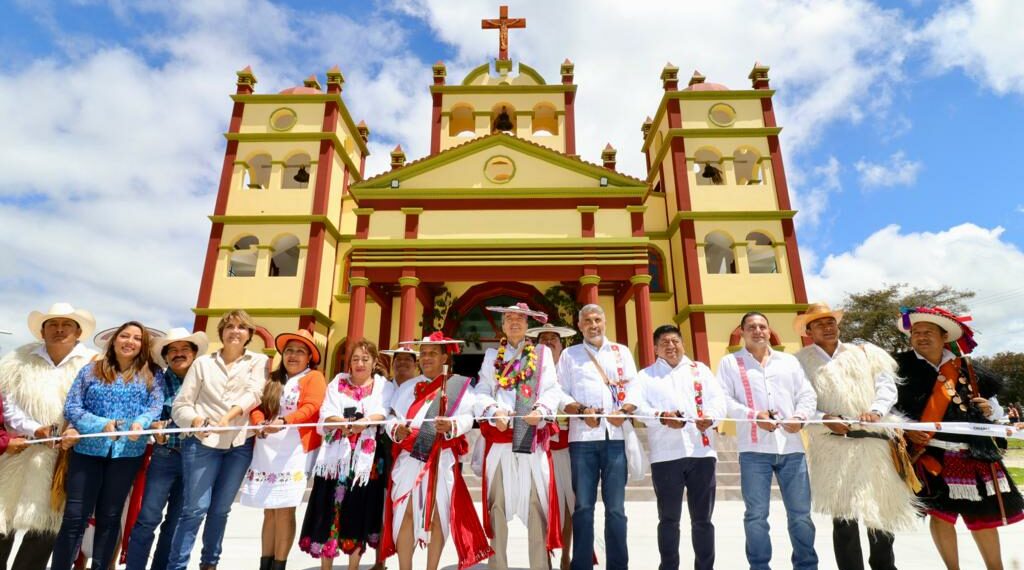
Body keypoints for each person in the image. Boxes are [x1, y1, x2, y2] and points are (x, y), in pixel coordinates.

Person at [894, 307, 1023, 570]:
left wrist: (989, 408)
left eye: (928, 332)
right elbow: (888, 408)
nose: (921, 337)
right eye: (916, 332)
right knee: (942, 517)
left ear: (944, 336)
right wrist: (907, 427)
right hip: (933, 452)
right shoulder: (898, 367)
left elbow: (996, 409)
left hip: (976, 452)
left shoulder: (969, 368)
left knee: (984, 518)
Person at [793, 303, 919, 570]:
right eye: (819, 324)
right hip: (832, 447)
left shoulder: (865, 353)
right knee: (844, 519)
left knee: (881, 511)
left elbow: (886, 387)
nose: (827, 327)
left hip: (875, 445)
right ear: (808, 330)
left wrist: (876, 410)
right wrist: (823, 418)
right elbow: (798, 401)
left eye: (831, 322)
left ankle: (885, 566)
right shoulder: (799, 362)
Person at [51, 322, 164, 570]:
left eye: (137, 338)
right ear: (113, 340)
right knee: (74, 518)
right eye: (124, 336)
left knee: (110, 518)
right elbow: (73, 407)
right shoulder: (90, 371)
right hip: (87, 452)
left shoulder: (153, 374)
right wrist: (101, 425)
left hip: (127, 455)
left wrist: (141, 424)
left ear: (142, 345)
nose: (130, 341)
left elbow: (155, 407)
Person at [380, 333, 493, 570]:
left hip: (441, 459)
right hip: (410, 458)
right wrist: (395, 430)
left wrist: (452, 426)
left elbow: (468, 416)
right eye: (423, 353)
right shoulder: (408, 386)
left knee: (439, 515)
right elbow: (391, 418)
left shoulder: (458, 386)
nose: (426, 357)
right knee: (406, 512)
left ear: (444, 356)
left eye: (432, 353)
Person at [716, 312, 818, 570]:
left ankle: (806, 565)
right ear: (742, 332)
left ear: (769, 330)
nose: (758, 330)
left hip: (792, 447)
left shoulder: (789, 362)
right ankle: (759, 566)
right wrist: (753, 416)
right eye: (751, 327)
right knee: (756, 516)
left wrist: (800, 416)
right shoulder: (730, 363)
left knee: (801, 515)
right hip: (753, 450)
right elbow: (725, 400)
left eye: (762, 326)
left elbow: (806, 394)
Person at [169, 310, 269, 570]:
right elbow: (181, 405)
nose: (235, 331)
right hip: (201, 444)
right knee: (194, 511)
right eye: (230, 326)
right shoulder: (202, 363)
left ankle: (209, 565)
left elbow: (255, 393)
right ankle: (176, 566)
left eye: (242, 327)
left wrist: (228, 417)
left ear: (249, 334)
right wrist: (196, 421)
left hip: (238, 445)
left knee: (220, 511)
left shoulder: (258, 361)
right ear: (222, 332)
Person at [0, 303, 95, 570]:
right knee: (2, 519)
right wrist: (34, 429)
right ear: (42, 331)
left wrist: (71, 431)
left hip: (61, 456)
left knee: (44, 527)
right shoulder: (18, 359)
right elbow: (6, 402)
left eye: (66, 325)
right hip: (16, 450)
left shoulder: (91, 363)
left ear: (78, 332)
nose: (59, 330)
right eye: (52, 324)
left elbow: (93, 403)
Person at [625, 324, 725, 570]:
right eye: (664, 343)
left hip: (701, 454)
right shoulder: (645, 376)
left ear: (682, 344)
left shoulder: (699, 370)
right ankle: (668, 566)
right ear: (656, 349)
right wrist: (661, 416)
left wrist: (711, 418)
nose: (671, 346)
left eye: (675, 341)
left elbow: (718, 400)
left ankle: (705, 567)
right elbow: (638, 407)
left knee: (702, 519)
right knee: (669, 519)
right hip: (666, 456)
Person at [474, 304, 565, 570]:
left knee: (538, 505)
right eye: (509, 318)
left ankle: (540, 566)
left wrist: (542, 409)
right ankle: (497, 566)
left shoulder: (541, 353)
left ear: (528, 325)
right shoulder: (492, 355)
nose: (514, 322)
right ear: (502, 325)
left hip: (530, 436)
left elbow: (552, 388)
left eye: (520, 319)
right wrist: (492, 411)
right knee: (497, 507)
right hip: (501, 440)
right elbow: (481, 389)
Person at [556, 304, 641, 570]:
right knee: (583, 507)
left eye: (597, 319)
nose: (593, 325)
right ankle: (581, 565)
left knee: (616, 508)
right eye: (587, 321)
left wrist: (625, 411)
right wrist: (581, 411)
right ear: (579, 326)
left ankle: (618, 565)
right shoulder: (570, 355)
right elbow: (559, 393)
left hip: (615, 438)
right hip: (582, 439)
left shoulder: (621, 352)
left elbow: (635, 388)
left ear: (604, 322)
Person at [299, 338, 387, 570]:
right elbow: (326, 412)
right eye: (355, 359)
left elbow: (382, 412)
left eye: (365, 359)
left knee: (358, 512)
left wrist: (364, 422)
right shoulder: (336, 383)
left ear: (374, 362)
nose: (359, 363)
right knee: (330, 512)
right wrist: (344, 422)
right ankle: (326, 566)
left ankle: (353, 566)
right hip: (335, 460)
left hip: (364, 464)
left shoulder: (381, 386)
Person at [125, 328, 209, 570]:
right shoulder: (156, 379)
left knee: (175, 522)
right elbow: (148, 412)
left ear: (194, 354)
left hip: (197, 458)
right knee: (147, 518)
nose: (178, 354)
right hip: (165, 455)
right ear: (165, 357)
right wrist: (154, 426)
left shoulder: (204, 379)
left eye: (184, 349)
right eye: (172, 350)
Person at [243, 330, 326, 570]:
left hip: (294, 450)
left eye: (300, 351)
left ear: (309, 357)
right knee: (269, 511)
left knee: (284, 510)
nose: (293, 355)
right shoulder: (273, 378)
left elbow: (312, 406)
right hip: (267, 448)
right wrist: (259, 422)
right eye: (289, 350)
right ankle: (265, 563)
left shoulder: (314, 378)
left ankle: (280, 563)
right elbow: (256, 405)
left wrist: (285, 421)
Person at [526, 322, 577, 570]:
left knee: (570, 504)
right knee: (543, 504)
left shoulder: (571, 371)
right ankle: (544, 558)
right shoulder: (530, 372)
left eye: (552, 339)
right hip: (540, 446)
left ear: (561, 344)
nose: (547, 342)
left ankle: (566, 556)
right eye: (542, 339)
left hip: (571, 446)